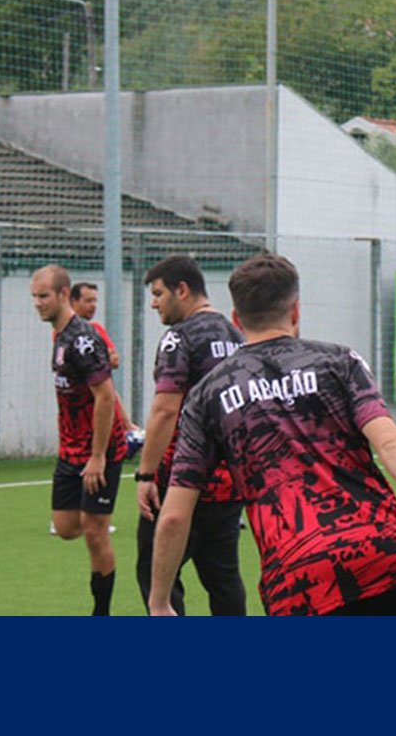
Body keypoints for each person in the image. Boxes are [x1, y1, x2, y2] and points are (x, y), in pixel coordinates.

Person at [148, 253, 396, 616]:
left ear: (237, 320)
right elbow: (391, 442)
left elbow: (176, 515)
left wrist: (160, 601)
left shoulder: (206, 395)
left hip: (295, 583)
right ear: (296, 310)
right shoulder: (340, 362)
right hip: (376, 553)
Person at [132, 255, 247, 615]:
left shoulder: (178, 338)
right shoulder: (236, 335)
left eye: (158, 293)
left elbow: (166, 410)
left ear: (182, 290)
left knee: (156, 574)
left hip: (183, 480)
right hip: (229, 482)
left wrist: (147, 474)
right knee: (223, 578)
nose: (153, 303)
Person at [31, 266, 129, 615]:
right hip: (70, 451)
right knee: (65, 526)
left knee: (95, 531)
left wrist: (98, 456)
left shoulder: (83, 339)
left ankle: (100, 612)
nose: (38, 303)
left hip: (99, 451)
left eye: (43, 296)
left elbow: (105, 396)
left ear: (62, 294)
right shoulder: (59, 335)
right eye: (34, 297)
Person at [71, 282, 120, 370]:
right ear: (74, 301)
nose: (93, 305)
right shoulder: (64, 331)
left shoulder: (96, 329)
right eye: (88, 301)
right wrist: (102, 355)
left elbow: (115, 360)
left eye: (94, 301)